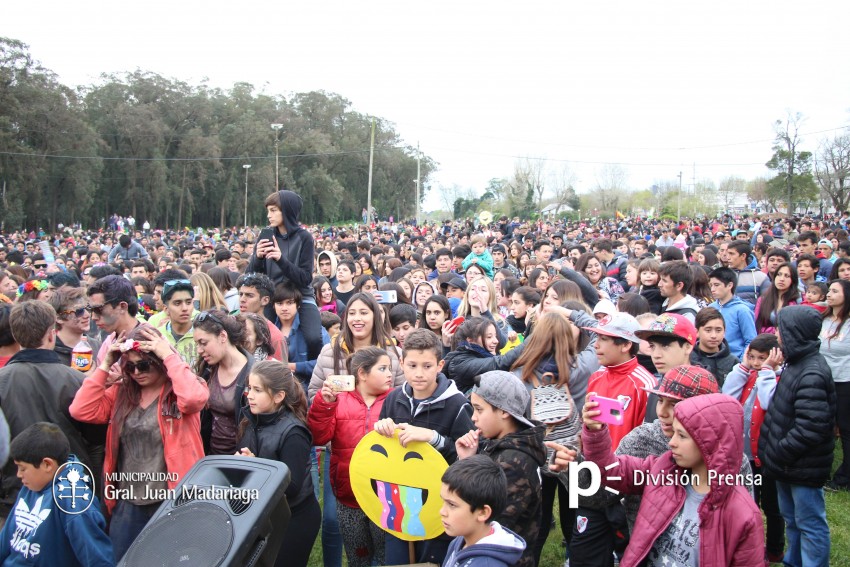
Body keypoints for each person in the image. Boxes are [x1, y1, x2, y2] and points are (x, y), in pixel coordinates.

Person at [69, 323, 209, 561]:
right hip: (127, 503)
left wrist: (168, 354)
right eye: (130, 366)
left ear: (159, 362)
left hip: (171, 501)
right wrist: (104, 366)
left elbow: (195, 399)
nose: (136, 373)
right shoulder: (122, 393)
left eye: (143, 365)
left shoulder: (180, 389)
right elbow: (80, 410)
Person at [577, 392, 765, 566]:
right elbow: (610, 470)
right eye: (674, 432)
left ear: (710, 441)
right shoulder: (662, 470)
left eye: (682, 436)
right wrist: (596, 432)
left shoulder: (742, 514)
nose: (672, 442)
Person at [374, 329, 475, 565]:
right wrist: (382, 428)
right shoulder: (393, 398)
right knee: (397, 559)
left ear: (440, 365)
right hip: (398, 499)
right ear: (401, 363)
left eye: (427, 366)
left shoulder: (458, 404)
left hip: (439, 504)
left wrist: (432, 437)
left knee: (432, 559)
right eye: (412, 365)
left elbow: (468, 460)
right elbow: (381, 451)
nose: (419, 374)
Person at [0, 301, 98, 520]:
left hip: (16, 497)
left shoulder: (3, 381)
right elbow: (96, 441)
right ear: (52, 335)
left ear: (16, 337)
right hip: (70, 496)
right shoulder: (75, 379)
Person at [759, 305, 836, 567]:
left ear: (794, 333)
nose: (777, 334)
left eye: (782, 329)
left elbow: (811, 427)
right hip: (786, 465)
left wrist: (779, 451)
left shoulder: (811, 372)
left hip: (800, 465)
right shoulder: (795, 364)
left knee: (810, 523)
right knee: (792, 520)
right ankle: (795, 561)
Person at [307, 347, 393, 567]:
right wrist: (324, 405)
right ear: (362, 373)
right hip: (349, 495)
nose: (390, 374)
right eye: (383, 368)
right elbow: (319, 436)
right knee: (358, 555)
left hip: (384, 496)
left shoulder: (395, 400)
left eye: (390, 368)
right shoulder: (340, 400)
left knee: (386, 557)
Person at [455, 369, 545, 567]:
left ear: (504, 411)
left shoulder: (512, 463)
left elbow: (488, 523)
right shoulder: (499, 444)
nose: (473, 418)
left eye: (479, 410)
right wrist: (467, 460)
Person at [236, 360, 320, 567]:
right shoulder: (250, 419)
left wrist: (257, 467)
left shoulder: (293, 432)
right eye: (249, 388)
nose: (250, 395)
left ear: (278, 396)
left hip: (294, 518)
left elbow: (292, 487)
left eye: (257, 390)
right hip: (263, 514)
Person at [0, 423, 113, 566]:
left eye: (23, 468)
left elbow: (98, 558)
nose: (18, 475)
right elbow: (6, 539)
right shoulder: (31, 486)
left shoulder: (73, 501)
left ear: (47, 464)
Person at [722, 333, 784, 563]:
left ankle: (775, 548)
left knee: (772, 507)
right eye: (753, 357)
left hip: (766, 458)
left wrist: (768, 371)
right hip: (744, 456)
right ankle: (752, 546)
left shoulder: (776, 381)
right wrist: (742, 368)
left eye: (763, 358)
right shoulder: (748, 376)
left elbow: (768, 402)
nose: (757, 363)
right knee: (749, 504)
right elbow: (727, 395)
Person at [247, 190, 323, 361]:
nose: (269, 215)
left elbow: (305, 278)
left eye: (274, 210)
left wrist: (281, 259)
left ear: (287, 210)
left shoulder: (304, 238)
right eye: (268, 210)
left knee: (313, 337)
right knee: (261, 338)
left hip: (301, 295)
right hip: (273, 298)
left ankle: (310, 373)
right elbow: (251, 277)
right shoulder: (266, 236)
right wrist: (257, 258)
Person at [440, 455, 526, 567]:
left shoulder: (488, 564)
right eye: (443, 501)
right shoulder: (459, 541)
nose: (442, 511)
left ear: (483, 512)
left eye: (451, 504)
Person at [193, 308, 253, 456]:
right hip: (209, 457)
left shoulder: (253, 374)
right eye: (197, 344)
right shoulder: (207, 370)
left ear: (222, 336)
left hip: (240, 460)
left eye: (203, 343)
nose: (199, 350)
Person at [820, 279, 850, 491]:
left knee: (846, 429)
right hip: (822, 380)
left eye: (834, 291)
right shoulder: (823, 318)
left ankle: (845, 477)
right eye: (828, 290)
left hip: (845, 381)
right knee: (823, 426)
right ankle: (822, 468)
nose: (829, 294)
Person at [708, 267, 756, 359]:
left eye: (717, 285)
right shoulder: (711, 308)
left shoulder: (742, 310)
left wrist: (741, 362)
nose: (712, 289)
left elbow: (750, 340)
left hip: (735, 361)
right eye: (711, 285)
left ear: (730, 285)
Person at [236, 273, 285, 361]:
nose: (242, 299)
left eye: (249, 295)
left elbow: (280, 372)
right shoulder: (231, 325)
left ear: (265, 300)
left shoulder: (275, 337)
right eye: (240, 294)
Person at [47, 287, 102, 367]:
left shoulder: (96, 346)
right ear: (58, 318)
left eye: (88, 309)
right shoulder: (50, 351)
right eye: (79, 311)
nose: (87, 315)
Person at [689, 307, 738, 386]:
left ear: (724, 332)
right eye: (708, 330)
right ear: (697, 332)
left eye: (718, 330)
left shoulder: (733, 361)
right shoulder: (688, 358)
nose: (714, 336)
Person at [156, 278, 198, 368]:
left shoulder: (203, 335)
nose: (185, 308)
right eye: (177, 303)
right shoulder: (158, 337)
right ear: (166, 309)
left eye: (188, 302)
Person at [754, 262, 800, 334]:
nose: (781, 279)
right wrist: (774, 331)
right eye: (779, 274)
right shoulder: (763, 300)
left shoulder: (797, 301)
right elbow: (757, 326)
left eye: (787, 276)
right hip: (766, 341)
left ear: (793, 280)